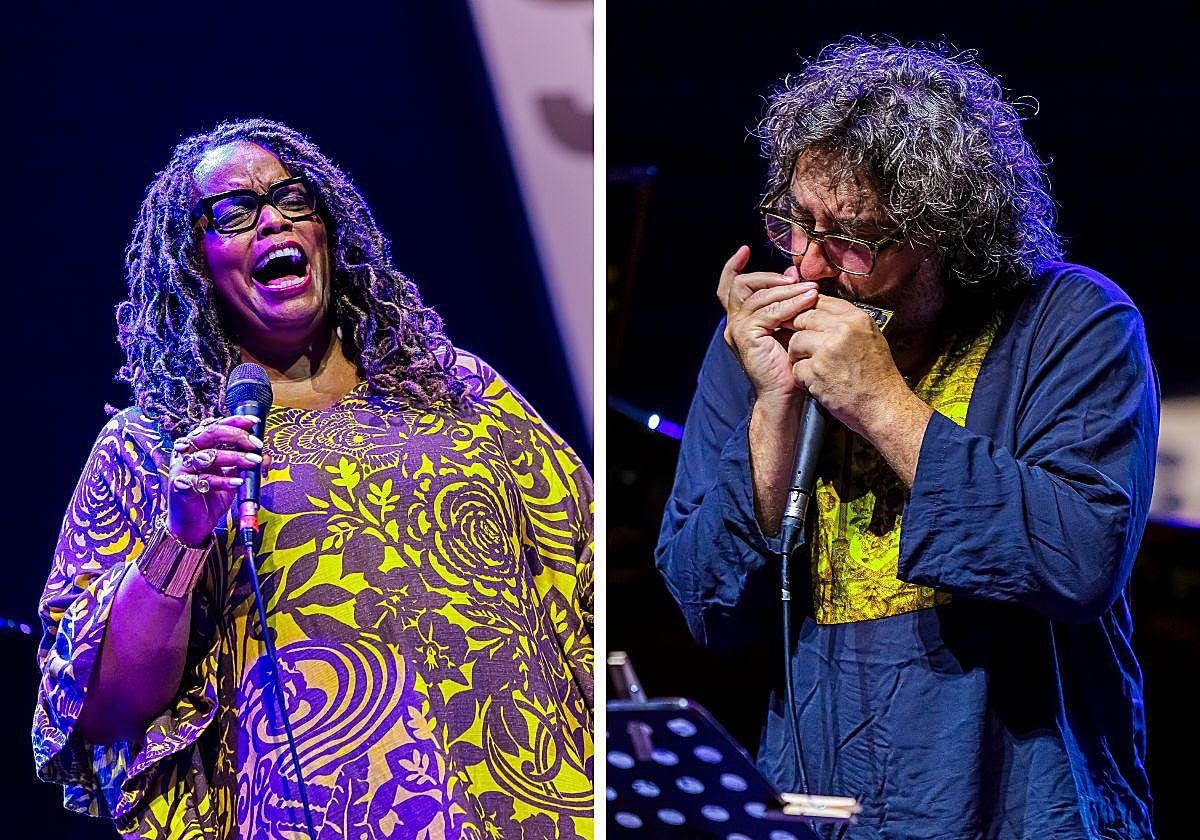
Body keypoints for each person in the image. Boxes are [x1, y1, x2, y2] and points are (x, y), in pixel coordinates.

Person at [33, 119, 593, 839]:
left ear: (329, 231)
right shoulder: (155, 446)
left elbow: (585, 567)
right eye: (233, 212)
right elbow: (104, 707)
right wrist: (183, 535)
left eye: (293, 198)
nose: (272, 218)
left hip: (534, 798)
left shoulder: (460, 391)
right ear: (193, 261)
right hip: (324, 814)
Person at [656, 37, 1157, 839]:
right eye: (794, 222)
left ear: (948, 239)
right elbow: (708, 608)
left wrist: (882, 400)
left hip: (1017, 807)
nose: (811, 267)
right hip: (823, 804)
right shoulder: (757, 346)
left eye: (854, 236)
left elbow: (1078, 561)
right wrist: (773, 407)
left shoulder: (1076, 323)